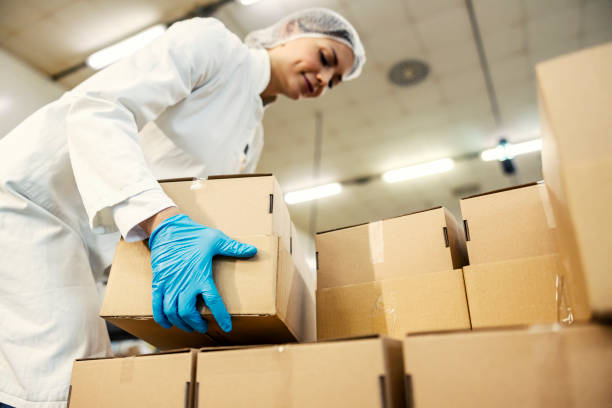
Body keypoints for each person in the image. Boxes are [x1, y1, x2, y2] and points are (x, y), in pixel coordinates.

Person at [0, 7, 365, 408]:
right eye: (326, 59)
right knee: (64, 385)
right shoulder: (214, 44)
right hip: (34, 206)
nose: (323, 80)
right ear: (290, 30)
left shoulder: (251, 137)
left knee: (74, 379)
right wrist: (164, 224)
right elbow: (99, 107)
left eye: (334, 82)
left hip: (85, 249)